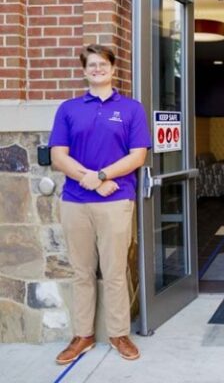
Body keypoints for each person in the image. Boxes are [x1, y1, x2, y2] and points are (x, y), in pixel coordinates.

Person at [49, 44, 151, 364]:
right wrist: (89, 179)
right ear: (84, 72)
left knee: (114, 271)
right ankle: (84, 335)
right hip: (76, 202)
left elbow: (138, 156)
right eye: (91, 65)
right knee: (82, 272)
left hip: (116, 200)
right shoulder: (68, 108)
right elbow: (57, 156)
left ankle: (119, 334)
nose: (97, 69)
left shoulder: (132, 109)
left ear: (112, 69)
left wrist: (104, 175)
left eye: (102, 64)